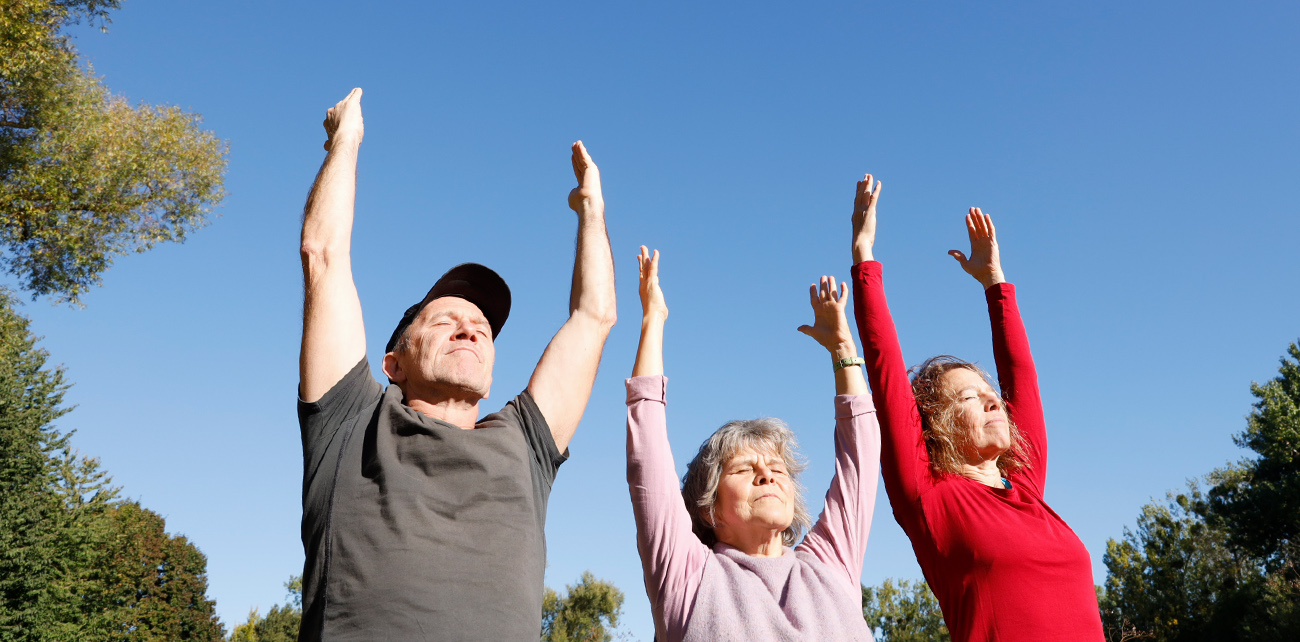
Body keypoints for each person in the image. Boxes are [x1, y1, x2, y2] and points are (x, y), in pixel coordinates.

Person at [296, 88, 617, 641]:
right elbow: (324, 256)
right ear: (393, 363)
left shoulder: (524, 446)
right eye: (444, 320)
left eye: (485, 330)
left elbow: (594, 318)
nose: (472, 328)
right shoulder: (351, 422)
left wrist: (592, 212)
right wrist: (345, 143)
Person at [848, 174, 1105, 640]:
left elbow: (1020, 378)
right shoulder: (930, 498)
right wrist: (864, 257)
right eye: (968, 397)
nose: (992, 399)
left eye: (989, 394)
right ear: (939, 426)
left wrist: (995, 282)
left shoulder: (1025, 485)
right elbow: (887, 373)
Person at [625, 245, 880, 642]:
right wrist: (653, 319)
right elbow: (647, 458)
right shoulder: (687, 577)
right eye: (744, 469)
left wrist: (844, 351)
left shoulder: (831, 564)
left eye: (778, 469)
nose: (767, 475)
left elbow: (860, 460)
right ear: (709, 511)